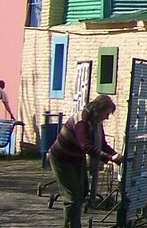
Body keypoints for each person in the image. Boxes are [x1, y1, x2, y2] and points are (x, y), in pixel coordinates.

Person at [50, 95, 123, 228]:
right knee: (72, 196)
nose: (107, 117)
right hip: (61, 158)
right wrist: (109, 158)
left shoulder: (96, 123)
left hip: (76, 158)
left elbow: (102, 144)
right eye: (106, 114)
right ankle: (72, 225)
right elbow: (86, 146)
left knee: (83, 191)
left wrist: (115, 155)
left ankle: (74, 223)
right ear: (98, 110)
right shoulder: (82, 121)